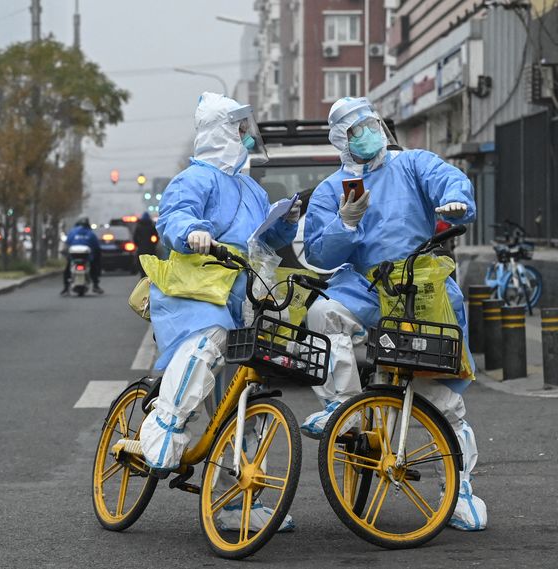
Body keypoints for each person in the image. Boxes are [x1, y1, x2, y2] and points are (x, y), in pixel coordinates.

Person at [300, 96, 487, 531]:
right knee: (324, 312)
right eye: (354, 130)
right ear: (341, 142)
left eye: (368, 123)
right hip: (365, 285)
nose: (366, 133)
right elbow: (316, 253)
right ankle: (342, 409)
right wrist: (345, 223)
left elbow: (449, 180)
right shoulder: (334, 189)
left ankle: (459, 492)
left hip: (418, 286)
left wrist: (455, 201)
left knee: (444, 403)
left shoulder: (413, 164)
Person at [138, 92, 301, 532]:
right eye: (240, 129)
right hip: (197, 290)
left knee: (244, 397)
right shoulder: (195, 178)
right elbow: (174, 216)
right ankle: (163, 428)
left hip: (240, 291)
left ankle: (234, 500)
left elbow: (261, 239)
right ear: (220, 131)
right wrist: (191, 231)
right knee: (204, 346)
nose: (247, 136)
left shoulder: (249, 186)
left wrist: (285, 221)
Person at [61, 216, 103, 295]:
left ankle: (66, 287)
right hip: (86, 256)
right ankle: (95, 285)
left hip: (73, 255)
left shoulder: (72, 232)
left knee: (67, 268)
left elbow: (67, 243)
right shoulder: (91, 233)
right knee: (94, 266)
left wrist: (66, 254)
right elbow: (96, 246)